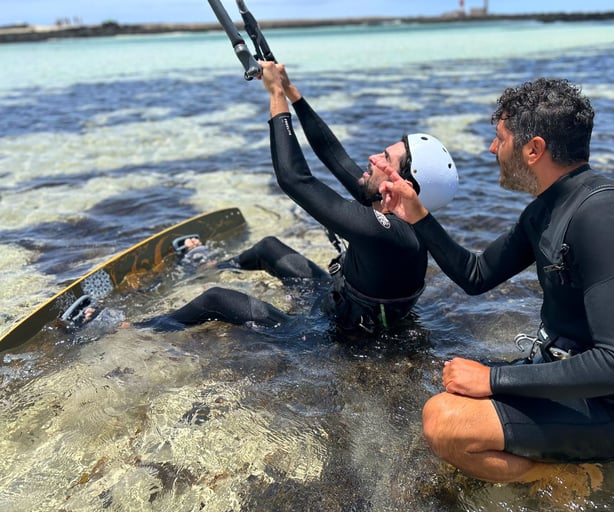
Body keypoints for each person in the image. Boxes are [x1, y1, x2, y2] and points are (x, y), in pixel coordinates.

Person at [379, 77, 614, 482]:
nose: (491, 149)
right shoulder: (545, 211)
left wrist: (493, 378)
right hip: (578, 384)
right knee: (449, 382)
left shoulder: (609, 215)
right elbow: (476, 275)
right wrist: (417, 215)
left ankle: (568, 480)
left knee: (443, 420)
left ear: (534, 149)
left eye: (499, 138)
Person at [139, 61, 459, 334]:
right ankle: (209, 265)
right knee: (268, 248)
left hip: (328, 335)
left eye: (386, 159)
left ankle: (143, 331)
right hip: (336, 299)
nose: (374, 158)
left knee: (217, 300)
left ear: (404, 184)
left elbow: (294, 179)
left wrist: (275, 96)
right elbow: (335, 156)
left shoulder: (390, 234)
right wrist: (292, 92)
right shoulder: (399, 212)